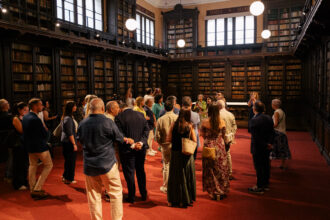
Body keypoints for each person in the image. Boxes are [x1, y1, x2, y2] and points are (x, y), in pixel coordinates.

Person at [78, 98, 133, 220]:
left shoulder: (83, 123)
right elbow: (119, 138)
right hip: (107, 163)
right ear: (103, 109)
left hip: (90, 165)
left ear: (90, 109)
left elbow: (80, 140)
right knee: (116, 193)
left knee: (93, 196)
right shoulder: (108, 122)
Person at [115, 103, 149, 203]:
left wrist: (133, 143)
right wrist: (141, 142)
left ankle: (132, 196)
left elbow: (119, 134)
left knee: (129, 173)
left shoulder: (119, 117)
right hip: (141, 148)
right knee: (140, 171)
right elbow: (146, 131)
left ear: (121, 108)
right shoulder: (141, 115)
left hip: (127, 150)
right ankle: (143, 194)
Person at [22, 98, 53, 199]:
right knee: (49, 165)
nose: (42, 106)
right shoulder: (36, 119)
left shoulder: (25, 117)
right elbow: (44, 133)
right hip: (40, 147)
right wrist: (45, 132)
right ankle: (37, 188)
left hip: (30, 146)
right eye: (40, 105)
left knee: (32, 165)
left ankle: (32, 188)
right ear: (35, 106)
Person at [166, 109, 196, 207]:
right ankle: (185, 200)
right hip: (186, 155)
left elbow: (168, 139)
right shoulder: (189, 126)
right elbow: (195, 141)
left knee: (175, 177)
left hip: (175, 154)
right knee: (186, 177)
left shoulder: (173, 125)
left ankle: (173, 200)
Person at [200, 103, 229, 200]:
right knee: (221, 169)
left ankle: (213, 191)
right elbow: (225, 135)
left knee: (210, 170)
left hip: (209, 147)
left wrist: (209, 138)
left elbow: (202, 134)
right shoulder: (222, 122)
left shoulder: (205, 122)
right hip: (220, 148)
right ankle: (221, 190)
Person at [248, 101, 274, 195]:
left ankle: (259, 187)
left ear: (254, 109)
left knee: (259, 167)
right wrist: (269, 143)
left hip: (258, 147)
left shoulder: (254, 120)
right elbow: (272, 132)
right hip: (267, 146)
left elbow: (255, 136)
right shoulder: (269, 118)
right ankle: (266, 184)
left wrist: (264, 144)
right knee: (266, 165)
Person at [155, 100, 178, 194]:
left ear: (164, 108)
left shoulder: (160, 119)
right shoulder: (177, 118)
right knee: (176, 165)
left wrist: (161, 143)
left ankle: (166, 186)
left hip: (165, 144)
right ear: (173, 108)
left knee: (166, 166)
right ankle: (175, 185)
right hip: (176, 144)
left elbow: (157, 135)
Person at [12, 102, 29, 190]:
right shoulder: (16, 118)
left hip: (25, 143)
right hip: (19, 144)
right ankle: (18, 183)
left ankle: (24, 181)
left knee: (25, 164)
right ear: (19, 110)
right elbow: (22, 131)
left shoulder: (25, 118)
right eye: (24, 110)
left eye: (27, 110)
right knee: (19, 164)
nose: (27, 112)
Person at [218, 100, 237, 180]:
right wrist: (231, 135)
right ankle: (229, 172)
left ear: (218, 106)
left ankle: (221, 172)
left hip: (219, 138)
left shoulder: (217, 114)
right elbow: (235, 126)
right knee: (228, 154)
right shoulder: (230, 114)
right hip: (228, 137)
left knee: (219, 155)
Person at [270, 99, 291, 169]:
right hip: (283, 132)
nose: (271, 105)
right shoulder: (282, 111)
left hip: (277, 132)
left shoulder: (276, 112)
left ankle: (268, 164)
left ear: (274, 105)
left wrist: (268, 126)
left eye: (272, 104)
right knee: (283, 149)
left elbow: (275, 124)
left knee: (272, 148)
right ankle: (283, 164)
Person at [61, 102, 78, 184]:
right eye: (74, 106)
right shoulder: (68, 118)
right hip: (69, 142)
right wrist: (74, 144)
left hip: (67, 142)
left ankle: (65, 176)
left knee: (68, 161)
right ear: (71, 108)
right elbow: (70, 133)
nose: (76, 107)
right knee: (71, 161)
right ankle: (69, 178)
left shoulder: (67, 117)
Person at [0, 99, 14, 183]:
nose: (9, 104)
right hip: (9, 138)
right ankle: (8, 175)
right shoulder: (9, 116)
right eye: (8, 103)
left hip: (2, 139)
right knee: (11, 156)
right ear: (5, 106)